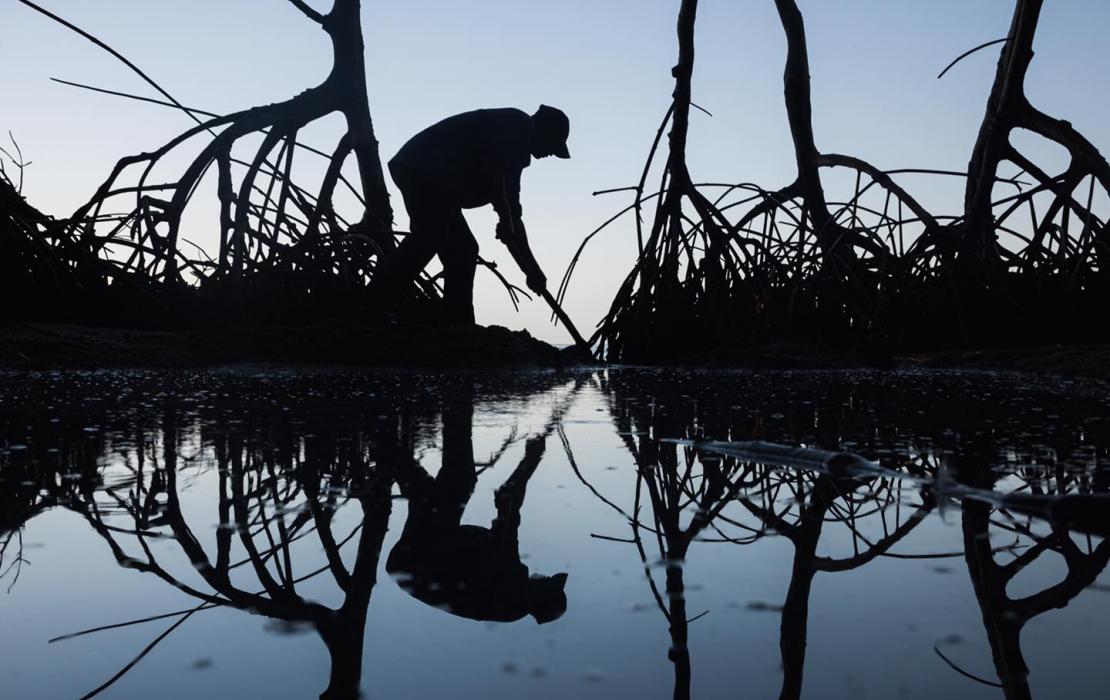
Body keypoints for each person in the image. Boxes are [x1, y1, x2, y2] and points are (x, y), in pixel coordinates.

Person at [379, 105, 570, 323]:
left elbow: (513, 222)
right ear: (544, 131)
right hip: (422, 168)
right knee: (431, 234)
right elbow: (493, 168)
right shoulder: (520, 125)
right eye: (553, 146)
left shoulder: (516, 158)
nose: (550, 154)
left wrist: (532, 270)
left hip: (438, 184)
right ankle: (375, 301)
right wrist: (505, 217)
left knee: (464, 249)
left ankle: (457, 320)